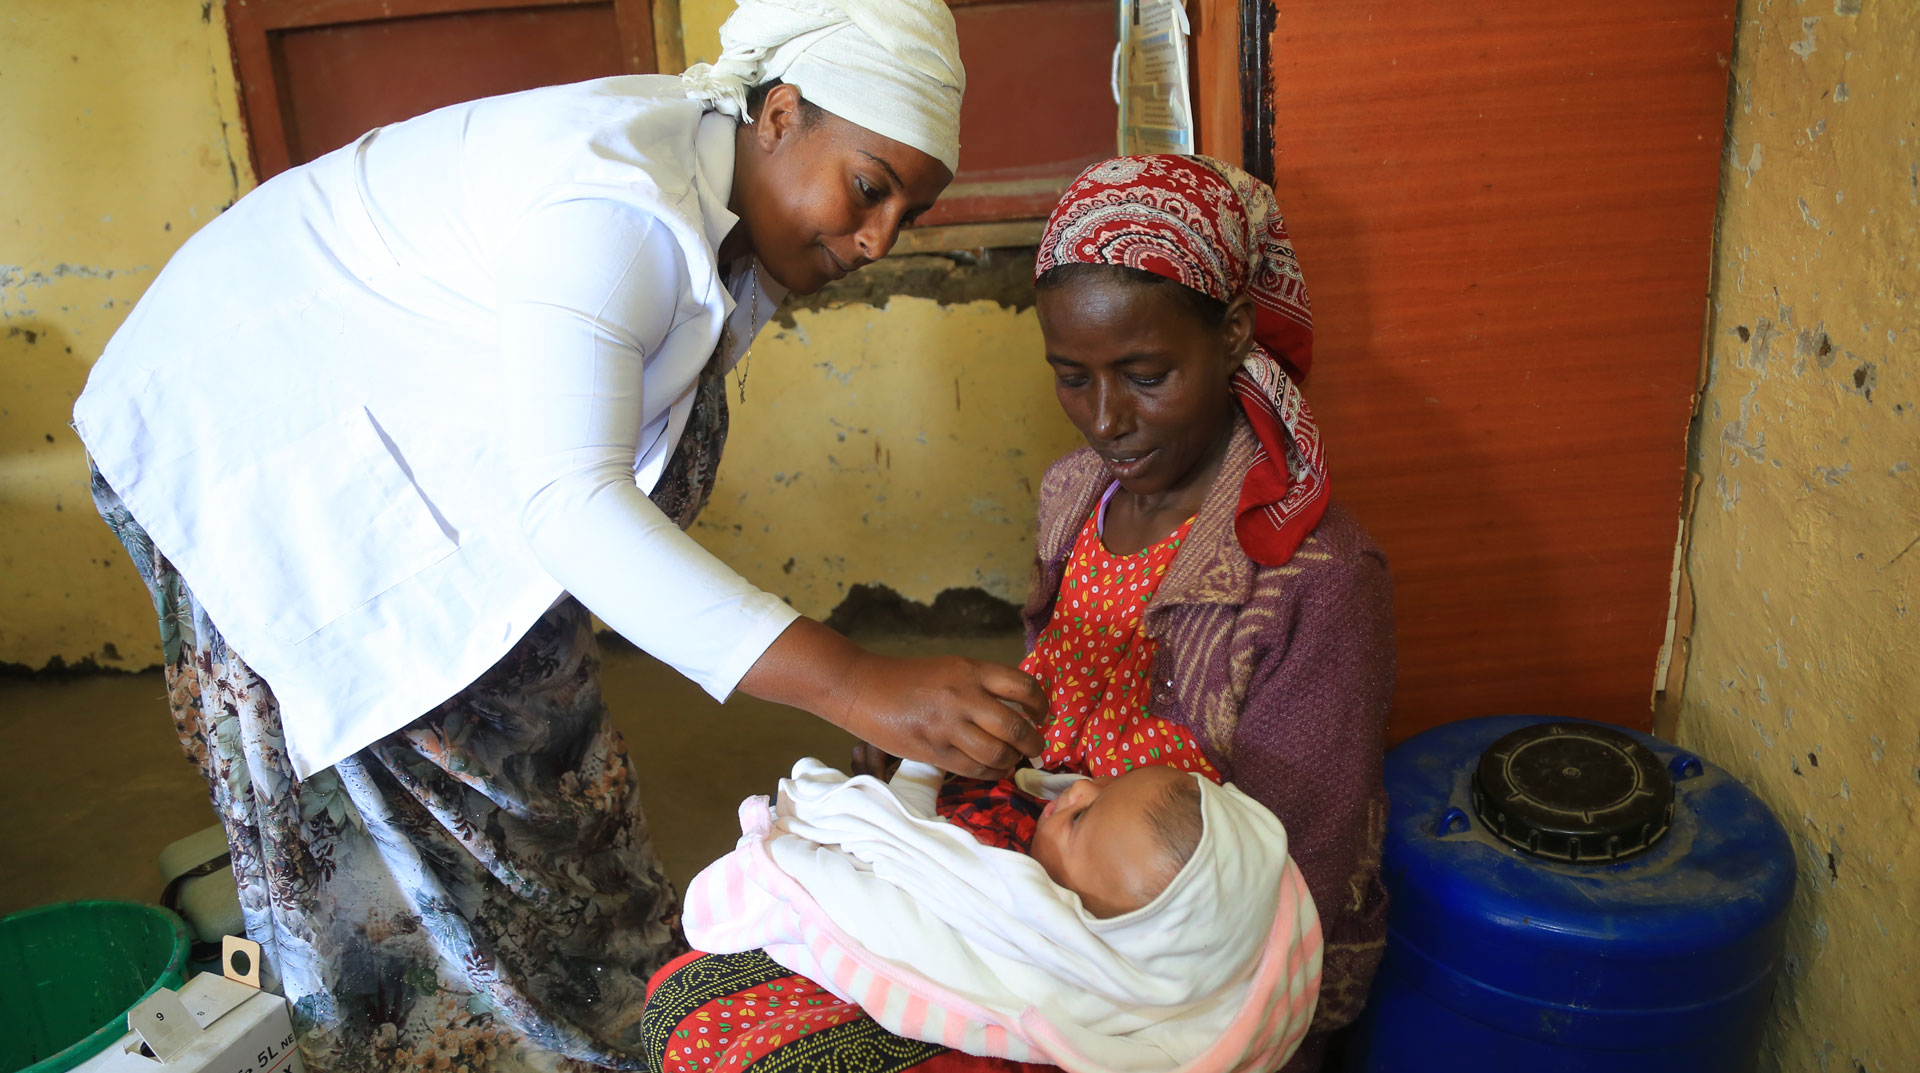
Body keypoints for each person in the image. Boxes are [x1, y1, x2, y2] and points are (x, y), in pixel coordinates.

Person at [73, 2, 1048, 1068]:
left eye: (908, 210)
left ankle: (619, 1011)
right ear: (776, 115)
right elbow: (575, 504)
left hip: (432, 445)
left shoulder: (732, 212)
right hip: (249, 431)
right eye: (870, 187)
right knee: (386, 858)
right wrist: (857, 680)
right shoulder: (620, 208)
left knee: (541, 787)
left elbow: (583, 488)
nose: (877, 239)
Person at [640, 154, 1394, 1073]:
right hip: (1035, 829)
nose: (1106, 417)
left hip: (1169, 959)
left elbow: (1293, 881)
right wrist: (946, 735)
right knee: (703, 994)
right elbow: (1056, 691)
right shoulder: (1077, 494)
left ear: (1233, 332)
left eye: (1146, 374)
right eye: (1073, 376)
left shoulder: (1315, 574)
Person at [667, 758, 1320, 1073]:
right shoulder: (1198, 954)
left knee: (691, 1010)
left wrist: (792, 851)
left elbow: (885, 895)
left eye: (1081, 816)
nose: (1079, 788)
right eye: (1109, 784)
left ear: (1083, 919)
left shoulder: (1025, 928)